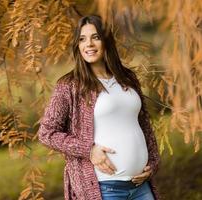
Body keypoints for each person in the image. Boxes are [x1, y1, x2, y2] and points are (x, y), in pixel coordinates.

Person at [38, 15, 160, 200]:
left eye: (95, 37)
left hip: (141, 186)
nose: (89, 44)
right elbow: (47, 132)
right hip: (105, 188)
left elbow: (143, 125)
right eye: (82, 39)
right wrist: (89, 150)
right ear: (77, 46)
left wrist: (152, 161)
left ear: (106, 41)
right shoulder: (69, 85)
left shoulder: (127, 77)